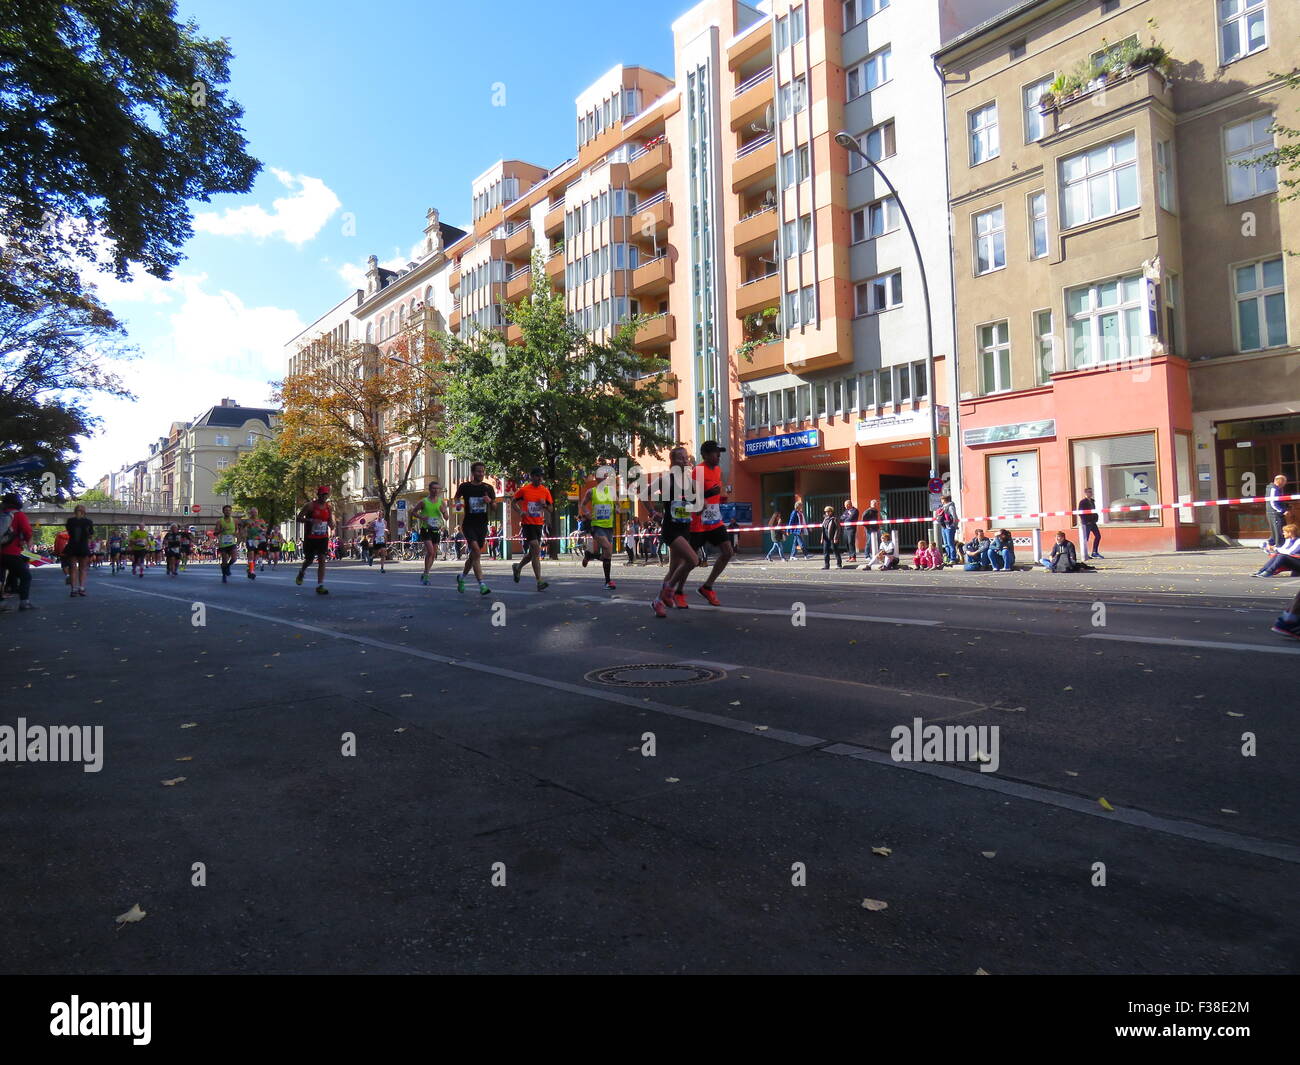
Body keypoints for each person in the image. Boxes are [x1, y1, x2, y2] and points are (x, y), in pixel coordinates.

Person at [651, 446, 699, 618]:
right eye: (681, 458)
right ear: (672, 461)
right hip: (671, 529)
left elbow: (695, 504)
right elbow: (644, 494)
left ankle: (658, 602)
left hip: (685, 528)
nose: (685, 461)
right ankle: (669, 591)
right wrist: (653, 513)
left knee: (673, 570)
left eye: (686, 458)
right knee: (693, 560)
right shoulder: (666, 479)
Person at [688, 441, 734, 605]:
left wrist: (718, 498)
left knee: (728, 552)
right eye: (715, 453)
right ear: (705, 455)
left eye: (719, 453)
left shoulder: (718, 470)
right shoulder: (697, 471)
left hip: (714, 520)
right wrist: (708, 492)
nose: (719, 456)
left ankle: (707, 587)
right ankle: (673, 588)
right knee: (691, 561)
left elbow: (714, 495)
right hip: (699, 521)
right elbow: (692, 497)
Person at [453, 462, 495, 595]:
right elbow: (456, 498)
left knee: (473, 556)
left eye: (483, 471)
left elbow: (494, 508)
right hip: (469, 524)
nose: (481, 474)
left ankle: (462, 577)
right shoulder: (465, 487)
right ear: (473, 473)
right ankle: (482, 584)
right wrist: (458, 505)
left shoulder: (488, 488)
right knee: (476, 551)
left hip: (482, 525)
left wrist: (490, 501)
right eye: (478, 472)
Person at [512, 467, 553, 592]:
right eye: (537, 476)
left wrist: (545, 505)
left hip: (538, 524)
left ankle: (518, 567)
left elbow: (551, 509)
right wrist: (520, 512)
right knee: (536, 547)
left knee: (533, 553)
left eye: (541, 476)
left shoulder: (545, 491)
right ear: (532, 476)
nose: (540, 478)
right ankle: (539, 581)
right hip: (527, 524)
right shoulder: (524, 490)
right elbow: (513, 502)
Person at [578, 465, 619, 591]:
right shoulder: (591, 492)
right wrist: (587, 513)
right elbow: (583, 504)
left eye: (605, 477)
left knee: (608, 553)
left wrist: (617, 508)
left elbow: (617, 504)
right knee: (608, 547)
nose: (604, 479)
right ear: (597, 478)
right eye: (601, 477)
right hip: (596, 525)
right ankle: (607, 581)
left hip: (609, 526)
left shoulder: (611, 491)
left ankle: (590, 556)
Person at [295, 486, 335, 594]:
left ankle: (320, 585)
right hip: (310, 537)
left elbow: (330, 521)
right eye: (322, 495)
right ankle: (301, 572)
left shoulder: (328, 507)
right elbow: (298, 518)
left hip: (322, 537)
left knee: (322, 559)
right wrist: (311, 520)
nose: (324, 497)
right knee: (309, 560)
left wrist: (332, 525)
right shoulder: (310, 506)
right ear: (318, 495)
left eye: (326, 495)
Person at [0, 493, 36, 611]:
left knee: (1, 578)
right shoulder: (19, 515)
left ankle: (1, 603)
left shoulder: (2, 514)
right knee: (25, 576)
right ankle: (24, 602)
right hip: (11, 551)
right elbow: (27, 531)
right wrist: (26, 542)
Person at [415, 482, 446, 586]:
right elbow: (413, 512)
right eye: (434, 488)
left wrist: (444, 512)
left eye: (438, 489)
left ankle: (425, 572)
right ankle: (427, 574)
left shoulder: (441, 502)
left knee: (433, 554)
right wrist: (421, 517)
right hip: (426, 529)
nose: (436, 491)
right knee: (431, 551)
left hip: (436, 530)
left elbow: (446, 517)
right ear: (430, 489)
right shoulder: (423, 502)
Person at [214, 505, 239, 583]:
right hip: (223, 544)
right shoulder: (219, 521)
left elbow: (237, 530)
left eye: (229, 510)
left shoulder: (234, 521)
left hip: (232, 542)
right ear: (223, 511)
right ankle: (224, 575)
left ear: (231, 511)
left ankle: (228, 567)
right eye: (226, 510)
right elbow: (215, 533)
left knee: (234, 558)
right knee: (224, 561)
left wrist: (236, 533)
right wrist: (221, 530)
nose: (227, 511)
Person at [242, 506, 269, 579]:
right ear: (250, 513)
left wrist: (261, 529)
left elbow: (266, 529)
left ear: (257, 513)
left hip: (258, 540)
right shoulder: (247, 521)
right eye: (252, 512)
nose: (254, 513)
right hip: (250, 539)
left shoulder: (261, 521)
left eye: (255, 512)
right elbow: (243, 529)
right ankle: (252, 571)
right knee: (251, 554)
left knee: (255, 557)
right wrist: (244, 534)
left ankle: (250, 568)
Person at [1078, 489, 1103, 560]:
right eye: (1089, 492)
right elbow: (1080, 513)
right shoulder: (1082, 502)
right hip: (1086, 523)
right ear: (1085, 493)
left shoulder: (1092, 501)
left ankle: (1095, 552)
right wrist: (1085, 521)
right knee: (1086, 539)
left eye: (1091, 492)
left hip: (1093, 522)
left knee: (1098, 536)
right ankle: (1085, 554)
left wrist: (1095, 517)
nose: (1091, 493)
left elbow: (1093, 511)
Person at [1266, 474, 1289, 547]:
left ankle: (1269, 543)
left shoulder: (1275, 489)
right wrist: (1282, 510)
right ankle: (1279, 546)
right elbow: (1273, 502)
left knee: (1276, 531)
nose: (1285, 484)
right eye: (1284, 482)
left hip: (1275, 513)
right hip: (1275, 513)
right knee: (1278, 531)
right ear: (1280, 481)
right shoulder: (1273, 489)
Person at [935, 494, 959, 564]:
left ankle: (953, 559)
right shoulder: (943, 507)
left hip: (949, 527)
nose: (941, 501)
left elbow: (955, 517)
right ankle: (948, 558)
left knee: (950, 543)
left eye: (942, 499)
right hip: (944, 527)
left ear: (945, 500)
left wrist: (954, 526)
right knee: (946, 544)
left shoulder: (951, 506)